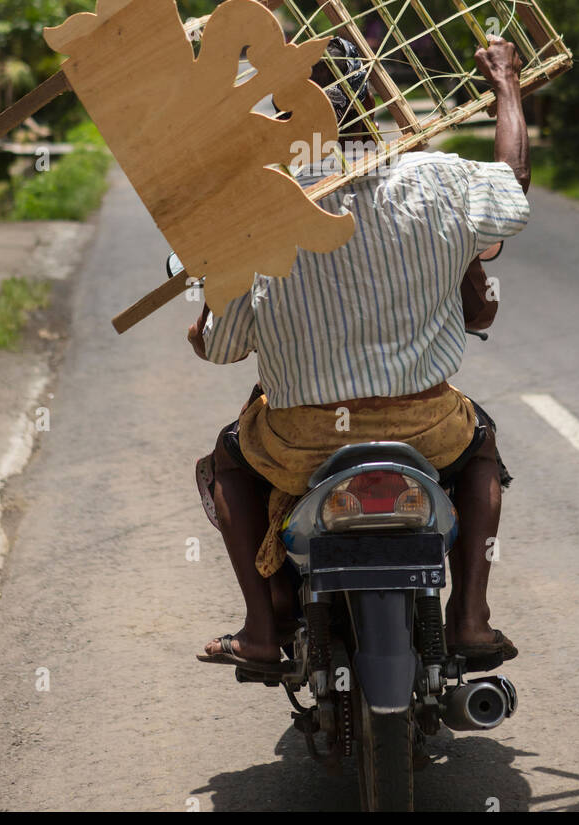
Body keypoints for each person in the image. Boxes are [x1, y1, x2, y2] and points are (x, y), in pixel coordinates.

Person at [189, 34, 531, 669]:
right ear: (373, 95)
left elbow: (223, 347)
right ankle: (472, 619)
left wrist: (212, 295)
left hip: (301, 440)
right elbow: (511, 187)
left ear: (279, 113)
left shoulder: (252, 211)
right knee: (481, 445)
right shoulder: (440, 178)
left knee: (226, 461)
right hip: (425, 430)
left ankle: (262, 630)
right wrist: (504, 85)